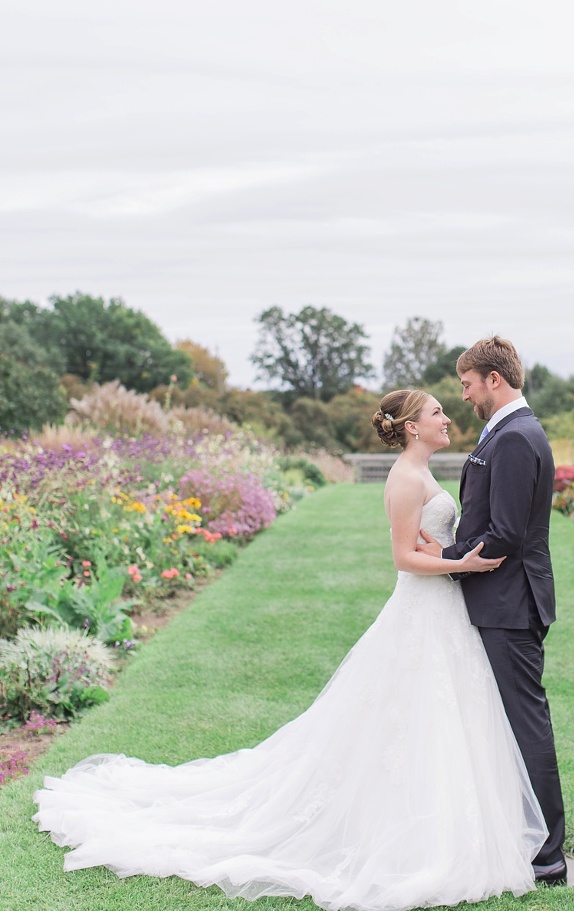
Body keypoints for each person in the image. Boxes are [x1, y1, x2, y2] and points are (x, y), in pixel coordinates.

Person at [34, 388, 547, 910]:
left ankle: (440, 822)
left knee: (432, 718)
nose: (447, 416)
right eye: (438, 411)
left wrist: (448, 554)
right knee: (407, 715)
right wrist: (461, 565)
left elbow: (424, 542)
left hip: (442, 613)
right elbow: (401, 558)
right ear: (413, 426)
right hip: (423, 607)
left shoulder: (422, 470)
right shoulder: (404, 477)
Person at [417, 336, 567, 886]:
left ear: (493, 380)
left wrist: (446, 556)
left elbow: (503, 535)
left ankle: (548, 853)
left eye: (467, 384)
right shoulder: (508, 433)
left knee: (525, 723)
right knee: (504, 721)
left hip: (509, 603)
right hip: (501, 601)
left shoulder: (513, 438)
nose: (465, 396)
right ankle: (520, 832)